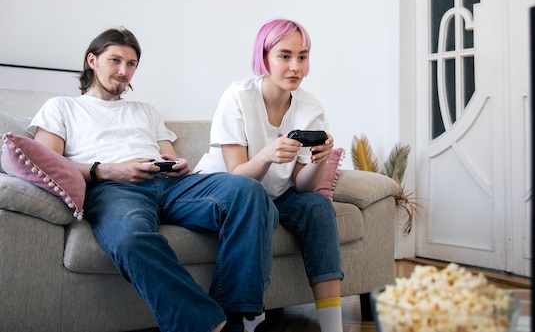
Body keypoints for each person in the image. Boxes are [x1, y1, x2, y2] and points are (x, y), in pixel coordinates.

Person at [28, 27, 277, 332]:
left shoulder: (145, 110)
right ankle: (212, 325)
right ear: (92, 60)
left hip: (170, 186)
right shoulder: (62, 107)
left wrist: (178, 165)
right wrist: (108, 169)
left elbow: (169, 154)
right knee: (131, 238)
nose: (124, 71)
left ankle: (243, 317)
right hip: (114, 189)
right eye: (115, 61)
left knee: (247, 191)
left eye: (131, 64)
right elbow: (49, 163)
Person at [194, 19, 344, 332]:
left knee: (317, 206)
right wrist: (266, 155)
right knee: (257, 201)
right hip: (226, 193)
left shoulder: (310, 106)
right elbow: (237, 174)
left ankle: (333, 327)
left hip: (276, 194)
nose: (295, 66)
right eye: (284, 56)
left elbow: (304, 186)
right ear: (264, 58)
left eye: (302, 57)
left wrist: (319, 160)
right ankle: (254, 324)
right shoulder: (238, 97)